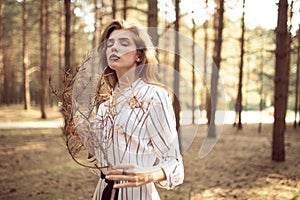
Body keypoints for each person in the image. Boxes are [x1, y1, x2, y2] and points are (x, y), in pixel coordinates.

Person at [84, 20, 184, 200]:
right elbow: (102, 166)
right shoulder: (104, 106)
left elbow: (175, 166)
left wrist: (148, 175)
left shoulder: (155, 96)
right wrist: (90, 146)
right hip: (102, 194)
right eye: (110, 44)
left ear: (139, 56)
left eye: (123, 43)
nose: (114, 48)